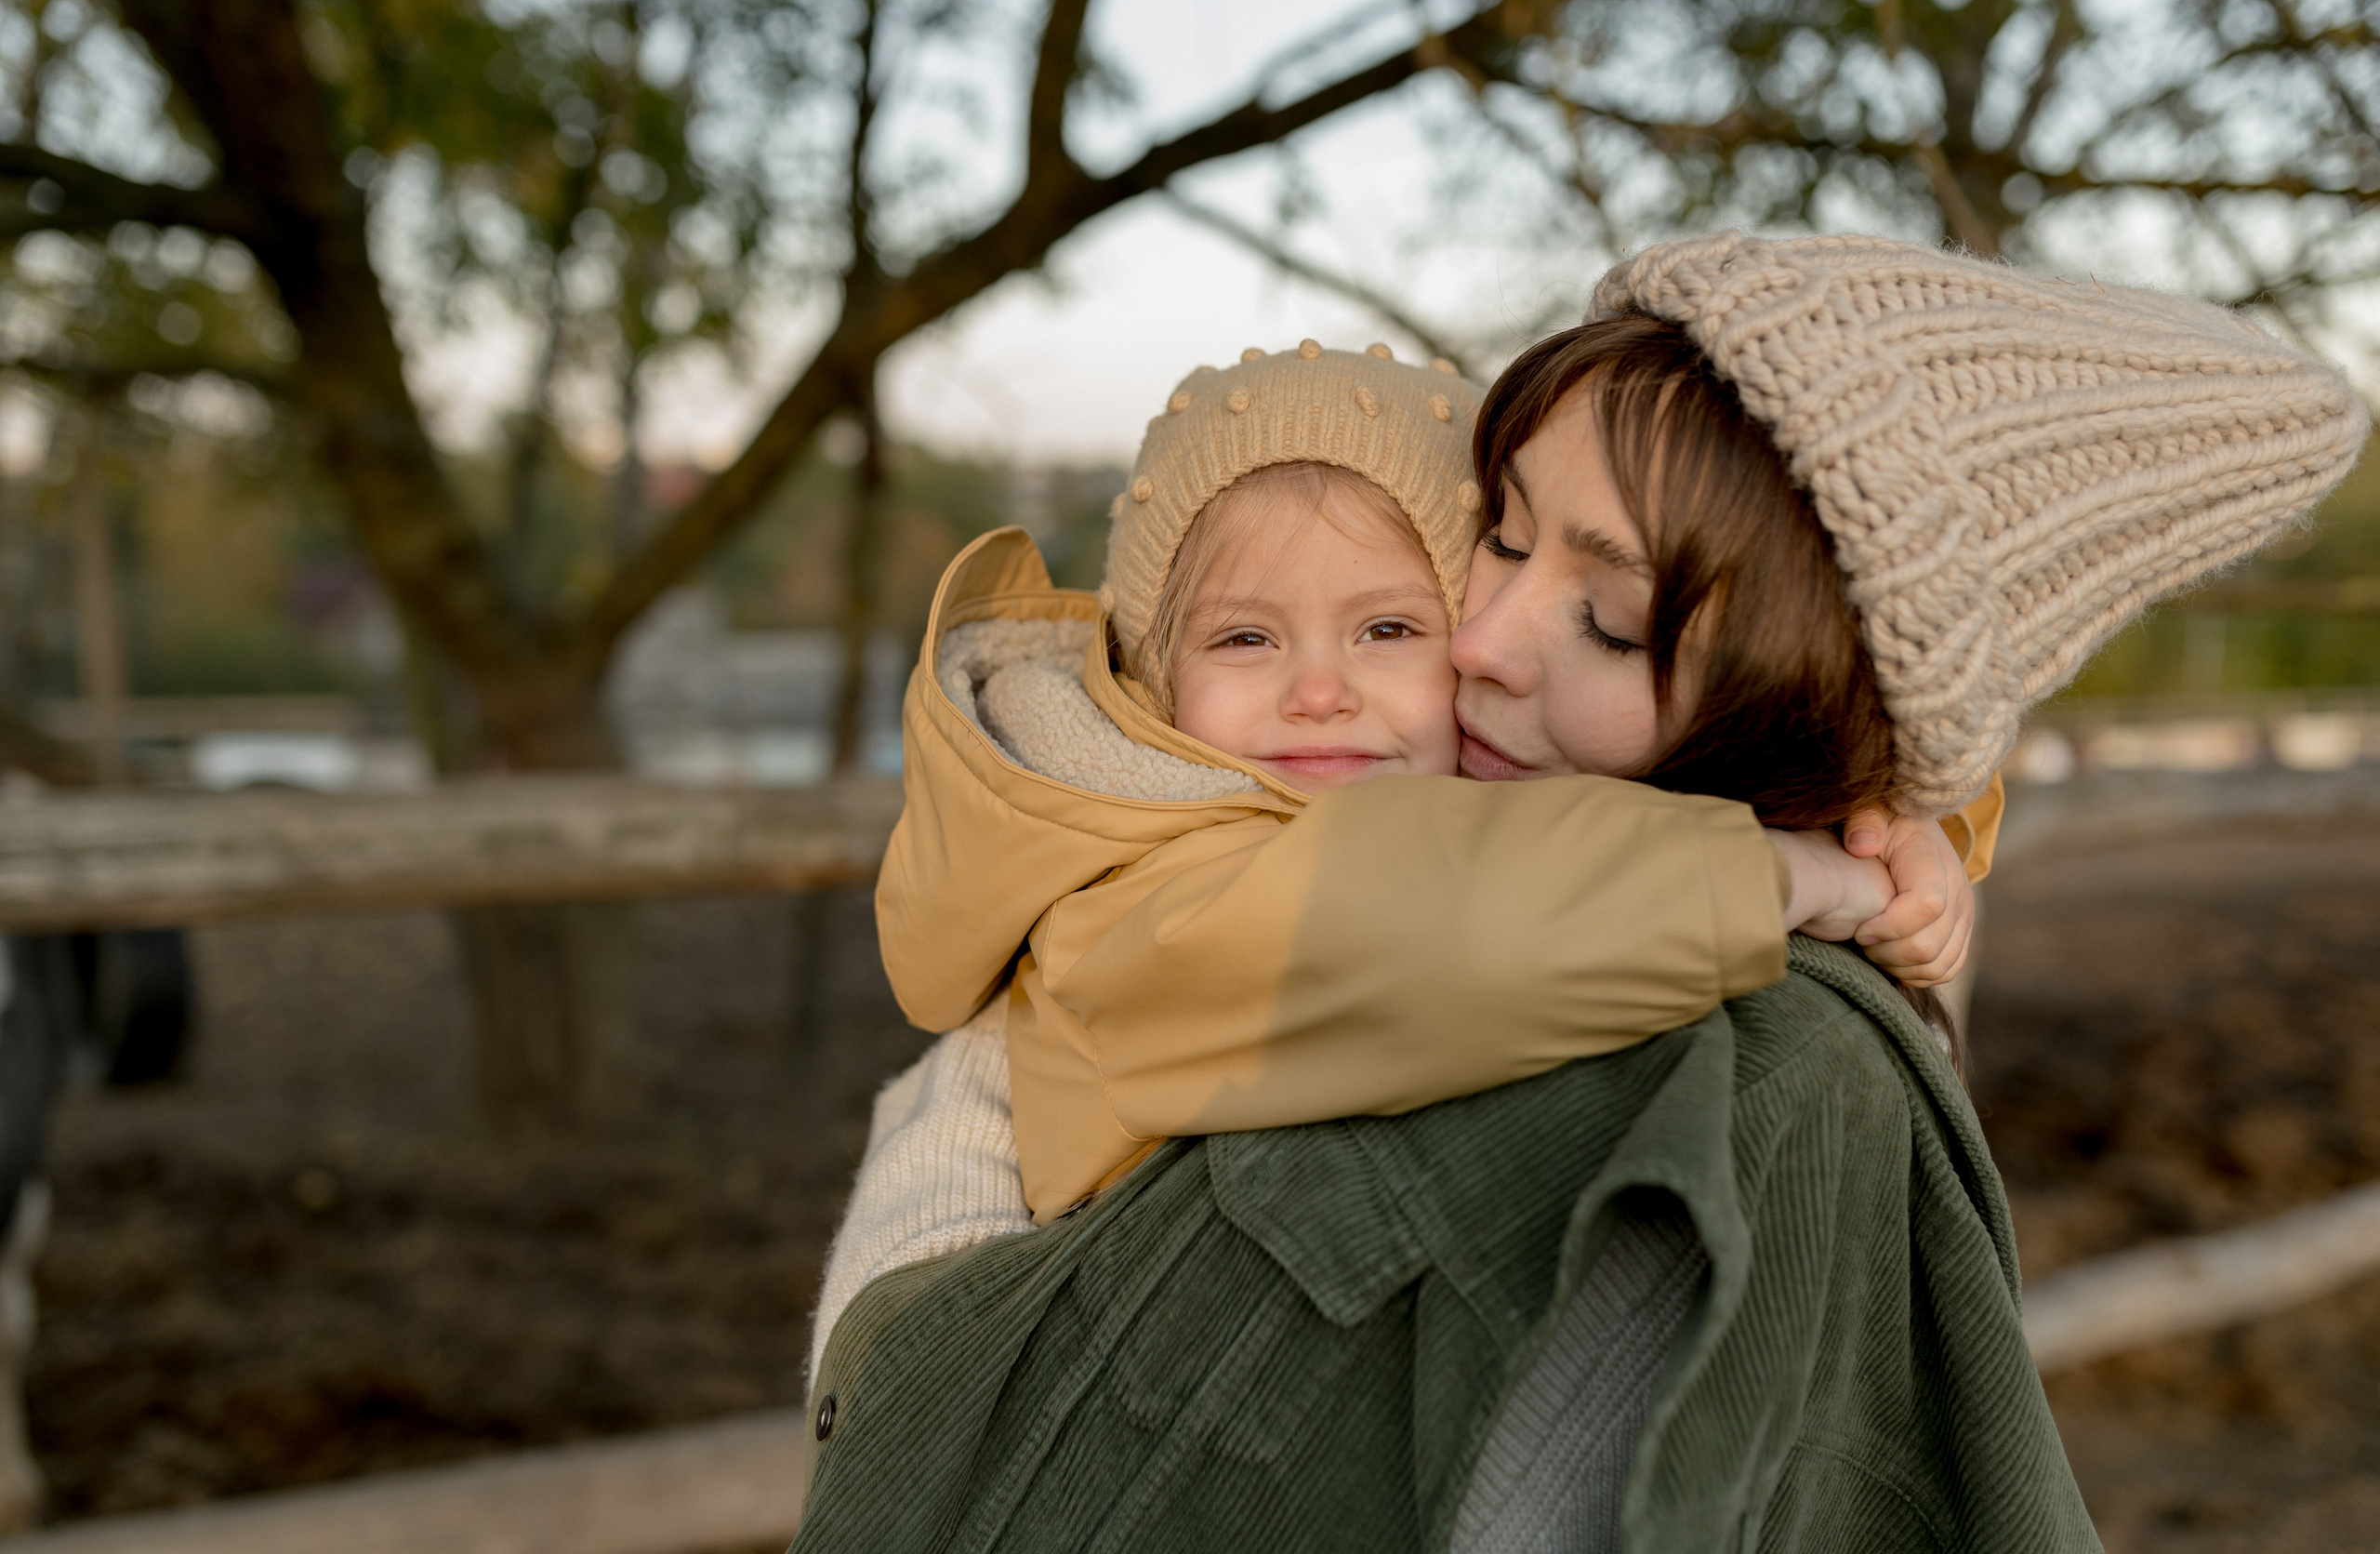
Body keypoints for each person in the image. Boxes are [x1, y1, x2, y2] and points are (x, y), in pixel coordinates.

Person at [793, 232, 2368, 1552]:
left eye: (1609, 619)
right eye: (1498, 531)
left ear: (1798, 701)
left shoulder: (1773, 1046)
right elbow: (1429, 904)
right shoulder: (1323, 850)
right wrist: (1791, 864)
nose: (1478, 637)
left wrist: (1915, 835)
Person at [869, 340, 1990, 1238]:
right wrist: (1791, 872)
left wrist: (1891, 823)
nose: (1318, 691)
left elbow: (1607, 805)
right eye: (1245, 637)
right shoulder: (1138, 893)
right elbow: (1444, 914)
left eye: (1391, 627)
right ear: (1155, 682)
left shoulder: (1461, 796)